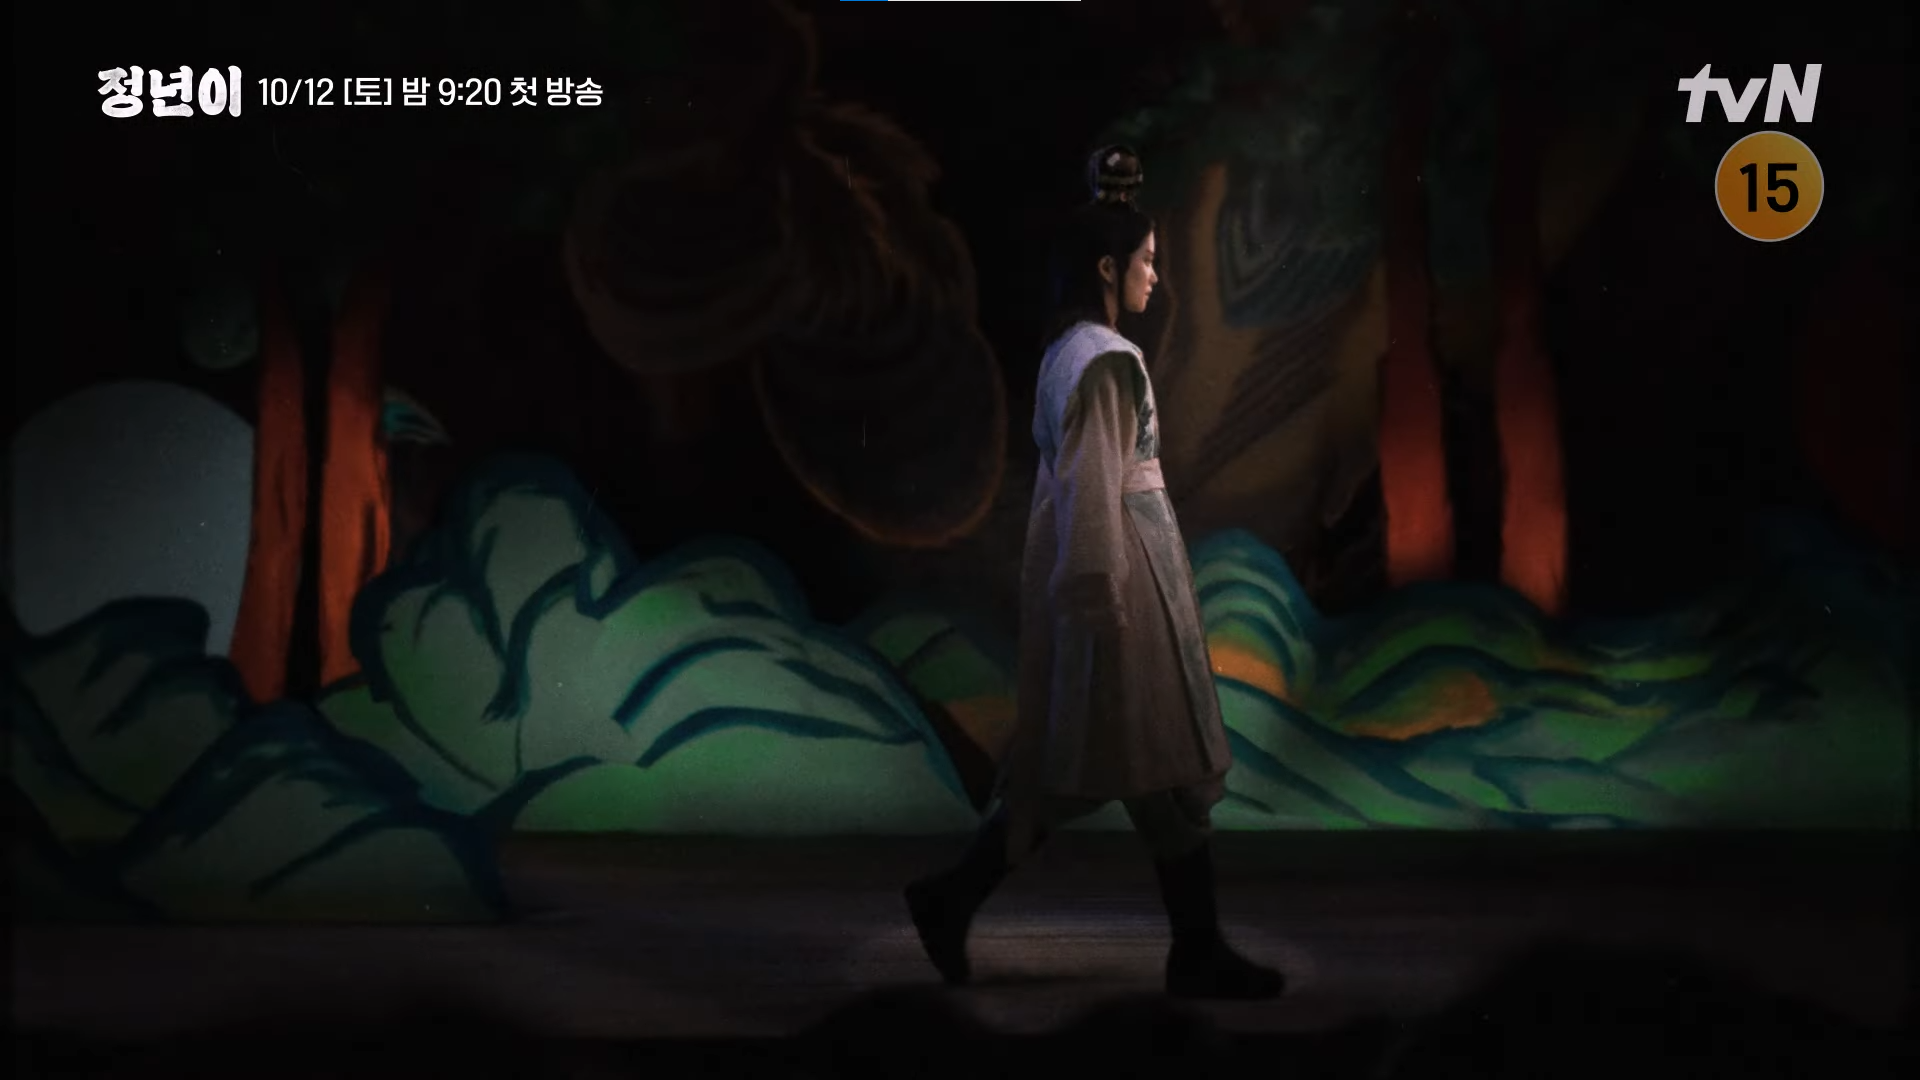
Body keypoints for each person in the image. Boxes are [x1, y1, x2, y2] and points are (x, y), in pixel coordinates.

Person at [905, 146, 1285, 1001]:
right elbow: (1090, 486)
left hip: (1113, 576)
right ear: (1107, 267)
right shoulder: (1106, 359)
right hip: (1120, 587)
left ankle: (960, 901)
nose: (1155, 276)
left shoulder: (1067, 353)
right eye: (1146, 260)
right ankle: (961, 901)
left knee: (1128, 773)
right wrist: (1097, 598)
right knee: (1127, 765)